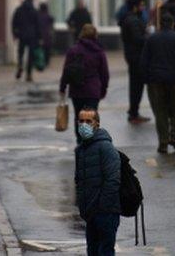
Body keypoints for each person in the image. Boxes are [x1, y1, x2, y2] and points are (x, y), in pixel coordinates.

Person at [141, 14, 175, 154]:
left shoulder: (151, 39)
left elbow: (144, 61)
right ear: (172, 24)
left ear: (160, 24)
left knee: (160, 111)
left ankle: (163, 142)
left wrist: (147, 79)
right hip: (174, 81)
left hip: (156, 81)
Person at [74, 108, 121, 256]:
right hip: (90, 212)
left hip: (105, 212)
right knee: (92, 251)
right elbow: (79, 181)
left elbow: (113, 179)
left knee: (105, 251)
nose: (84, 125)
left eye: (89, 121)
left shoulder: (105, 147)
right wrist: (84, 207)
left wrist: (103, 206)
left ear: (97, 124)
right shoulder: (80, 150)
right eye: (81, 121)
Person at [60, 24, 110, 143]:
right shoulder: (99, 51)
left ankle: (80, 141)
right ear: (95, 35)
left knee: (79, 117)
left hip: (77, 90)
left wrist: (62, 87)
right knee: (91, 118)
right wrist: (103, 89)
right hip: (93, 91)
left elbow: (66, 71)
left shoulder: (73, 50)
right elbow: (104, 73)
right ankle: (91, 142)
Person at [119, 0, 150, 124]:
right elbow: (138, 39)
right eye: (141, 5)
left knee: (136, 85)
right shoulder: (133, 21)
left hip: (133, 55)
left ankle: (134, 111)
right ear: (135, 7)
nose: (143, 8)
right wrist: (149, 36)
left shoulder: (131, 19)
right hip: (136, 56)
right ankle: (133, 113)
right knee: (137, 86)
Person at [12, 0, 41, 81]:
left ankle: (20, 65)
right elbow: (38, 25)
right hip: (32, 36)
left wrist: (14, 34)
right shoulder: (35, 11)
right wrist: (40, 37)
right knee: (30, 56)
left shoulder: (19, 10)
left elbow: (14, 22)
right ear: (32, 0)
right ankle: (29, 74)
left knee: (20, 53)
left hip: (21, 35)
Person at [38, 2, 55, 68]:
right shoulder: (47, 16)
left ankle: (41, 61)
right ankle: (46, 62)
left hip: (40, 35)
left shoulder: (38, 15)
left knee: (41, 49)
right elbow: (52, 20)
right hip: (47, 35)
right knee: (47, 49)